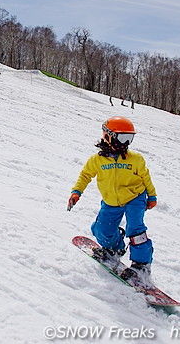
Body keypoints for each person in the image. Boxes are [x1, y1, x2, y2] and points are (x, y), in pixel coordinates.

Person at [67, 116, 157, 285]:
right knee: (102, 230)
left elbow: (146, 177)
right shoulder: (97, 160)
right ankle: (114, 247)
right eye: (123, 138)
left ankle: (141, 265)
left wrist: (152, 196)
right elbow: (85, 175)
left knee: (136, 229)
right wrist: (76, 192)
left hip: (134, 197)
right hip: (111, 200)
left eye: (130, 138)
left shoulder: (135, 159)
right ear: (108, 136)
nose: (126, 143)